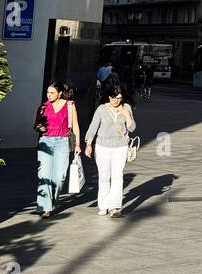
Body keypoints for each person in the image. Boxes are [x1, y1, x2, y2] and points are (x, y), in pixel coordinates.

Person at [85, 82, 136, 218]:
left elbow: (132, 128)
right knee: (104, 176)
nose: (116, 101)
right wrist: (89, 144)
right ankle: (103, 205)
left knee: (117, 176)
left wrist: (127, 115)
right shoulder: (102, 109)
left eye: (118, 98)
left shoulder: (126, 107)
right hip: (102, 146)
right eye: (113, 98)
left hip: (120, 146)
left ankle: (115, 207)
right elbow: (93, 127)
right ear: (108, 97)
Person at [35, 81, 82, 218]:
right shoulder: (44, 106)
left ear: (60, 93)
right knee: (44, 174)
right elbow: (37, 124)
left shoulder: (69, 105)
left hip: (62, 141)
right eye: (48, 92)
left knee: (60, 176)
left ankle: (53, 200)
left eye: (52, 93)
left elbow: (76, 126)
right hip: (46, 141)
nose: (49, 95)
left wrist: (78, 144)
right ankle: (45, 207)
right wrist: (40, 127)